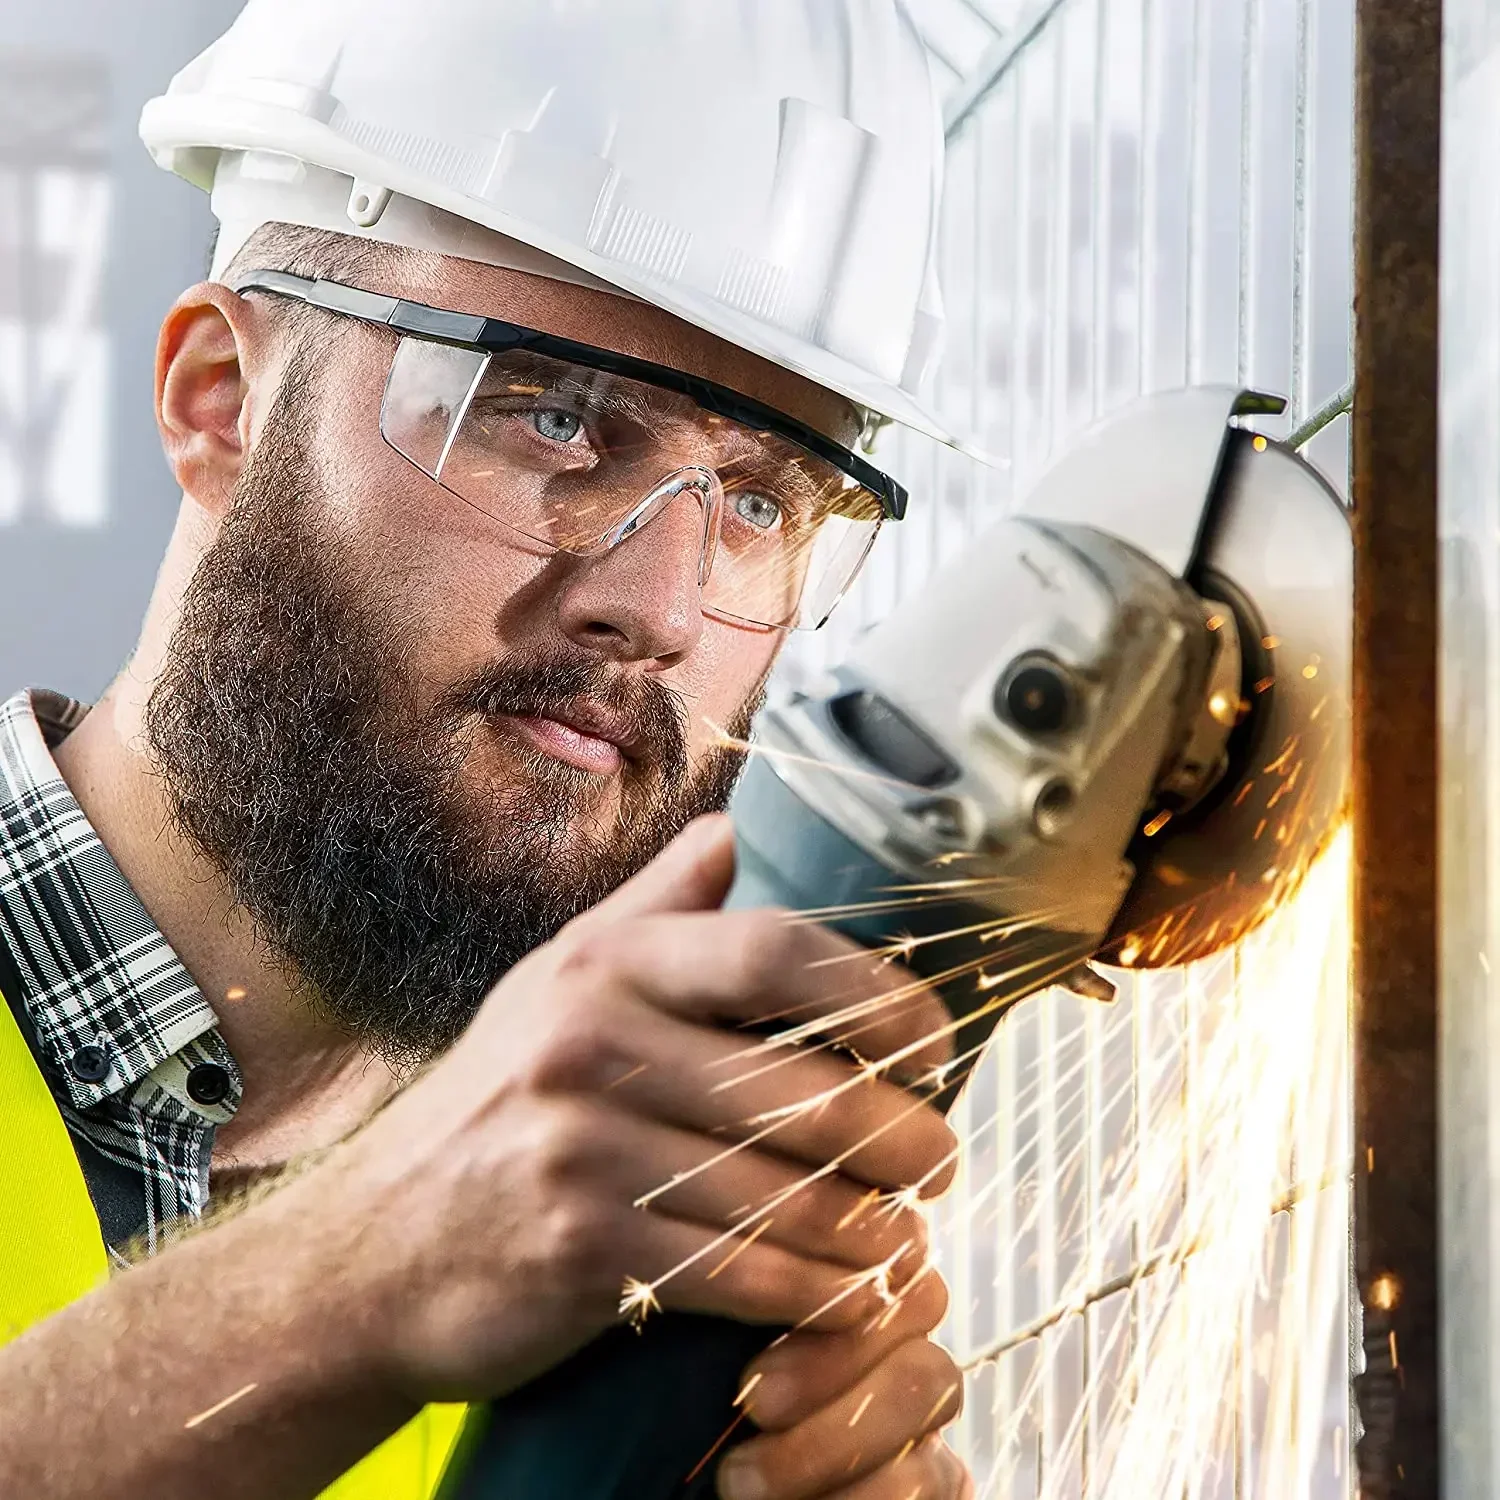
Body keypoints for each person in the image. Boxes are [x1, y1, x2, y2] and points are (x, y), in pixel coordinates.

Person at [0, 3, 981, 1496]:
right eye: (555, 420)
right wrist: (363, 1275)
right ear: (223, 403)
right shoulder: (495, 1227)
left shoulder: (624, 1242)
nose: (658, 610)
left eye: (767, 504)